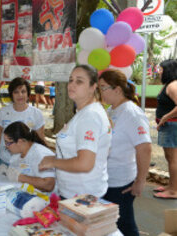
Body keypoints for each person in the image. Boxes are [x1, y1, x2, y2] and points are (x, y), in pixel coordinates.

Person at [39, 65, 111, 199]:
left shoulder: (89, 116)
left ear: (93, 87)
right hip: (77, 192)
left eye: (79, 81)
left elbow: (85, 163)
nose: (72, 84)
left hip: (82, 196)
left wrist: (53, 162)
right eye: (70, 80)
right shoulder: (85, 112)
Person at [99, 70, 152, 236]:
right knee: (112, 224)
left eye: (103, 88)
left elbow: (145, 148)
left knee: (125, 225)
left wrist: (140, 181)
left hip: (122, 182)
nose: (100, 92)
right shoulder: (112, 110)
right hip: (108, 178)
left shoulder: (132, 113)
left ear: (117, 90)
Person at [0, 77, 46, 166]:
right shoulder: (3, 112)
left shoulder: (36, 113)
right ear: (11, 94)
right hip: (5, 160)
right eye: (16, 92)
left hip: (26, 161)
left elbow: (40, 139)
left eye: (23, 91)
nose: (20, 95)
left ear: (28, 94)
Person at [0, 121, 55, 192]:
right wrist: (6, 172)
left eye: (8, 143)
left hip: (45, 198)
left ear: (19, 142)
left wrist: (20, 177)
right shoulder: (17, 154)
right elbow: (15, 174)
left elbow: (49, 185)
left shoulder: (40, 154)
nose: (6, 146)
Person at [154, 59, 177, 199]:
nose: (159, 72)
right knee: (170, 158)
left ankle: (174, 191)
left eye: (161, 69)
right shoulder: (169, 84)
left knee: (173, 159)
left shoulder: (173, 86)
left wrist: (164, 118)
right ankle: (171, 185)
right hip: (167, 126)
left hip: (171, 126)